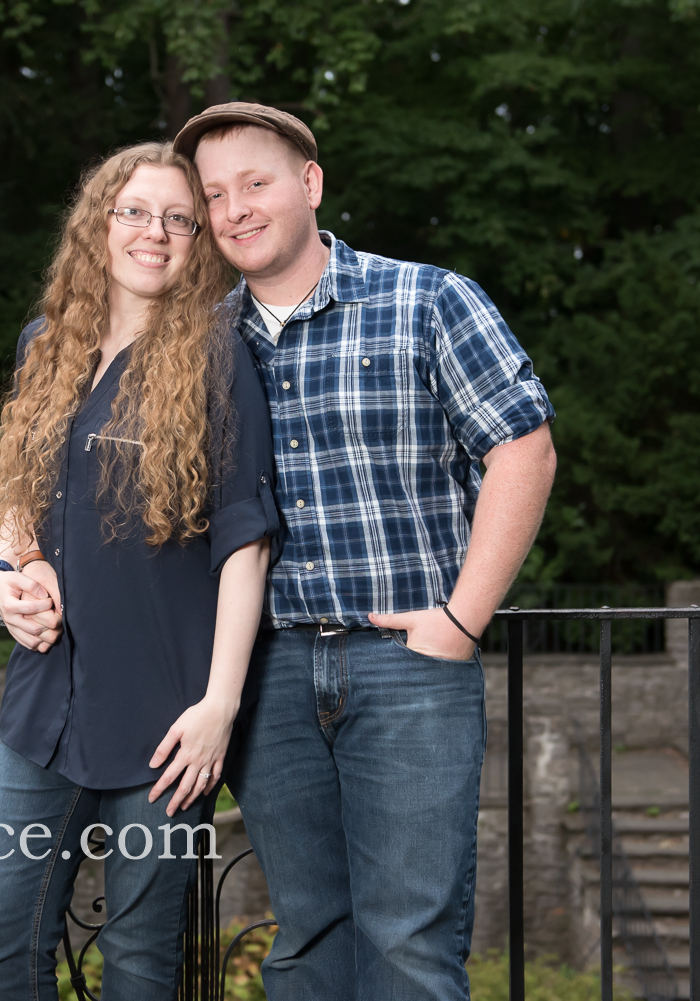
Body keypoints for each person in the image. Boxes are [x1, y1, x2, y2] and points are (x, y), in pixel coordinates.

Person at [175, 104, 559, 1001]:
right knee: (307, 940)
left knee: (410, 944)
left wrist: (462, 621)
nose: (234, 209)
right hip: (264, 679)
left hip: (409, 667)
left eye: (255, 183)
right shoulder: (199, 344)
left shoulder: (429, 298)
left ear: (309, 183)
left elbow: (524, 448)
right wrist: (15, 554)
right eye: (214, 195)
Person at [0, 140, 278, 1001]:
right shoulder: (46, 342)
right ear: (97, 225)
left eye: (180, 219)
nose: (157, 232)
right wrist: (4, 570)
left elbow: (245, 544)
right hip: (44, 713)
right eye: (136, 211)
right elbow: (18, 496)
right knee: (0, 934)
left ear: (198, 242)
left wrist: (219, 705)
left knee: (141, 964)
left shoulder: (219, 359)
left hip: (166, 731)